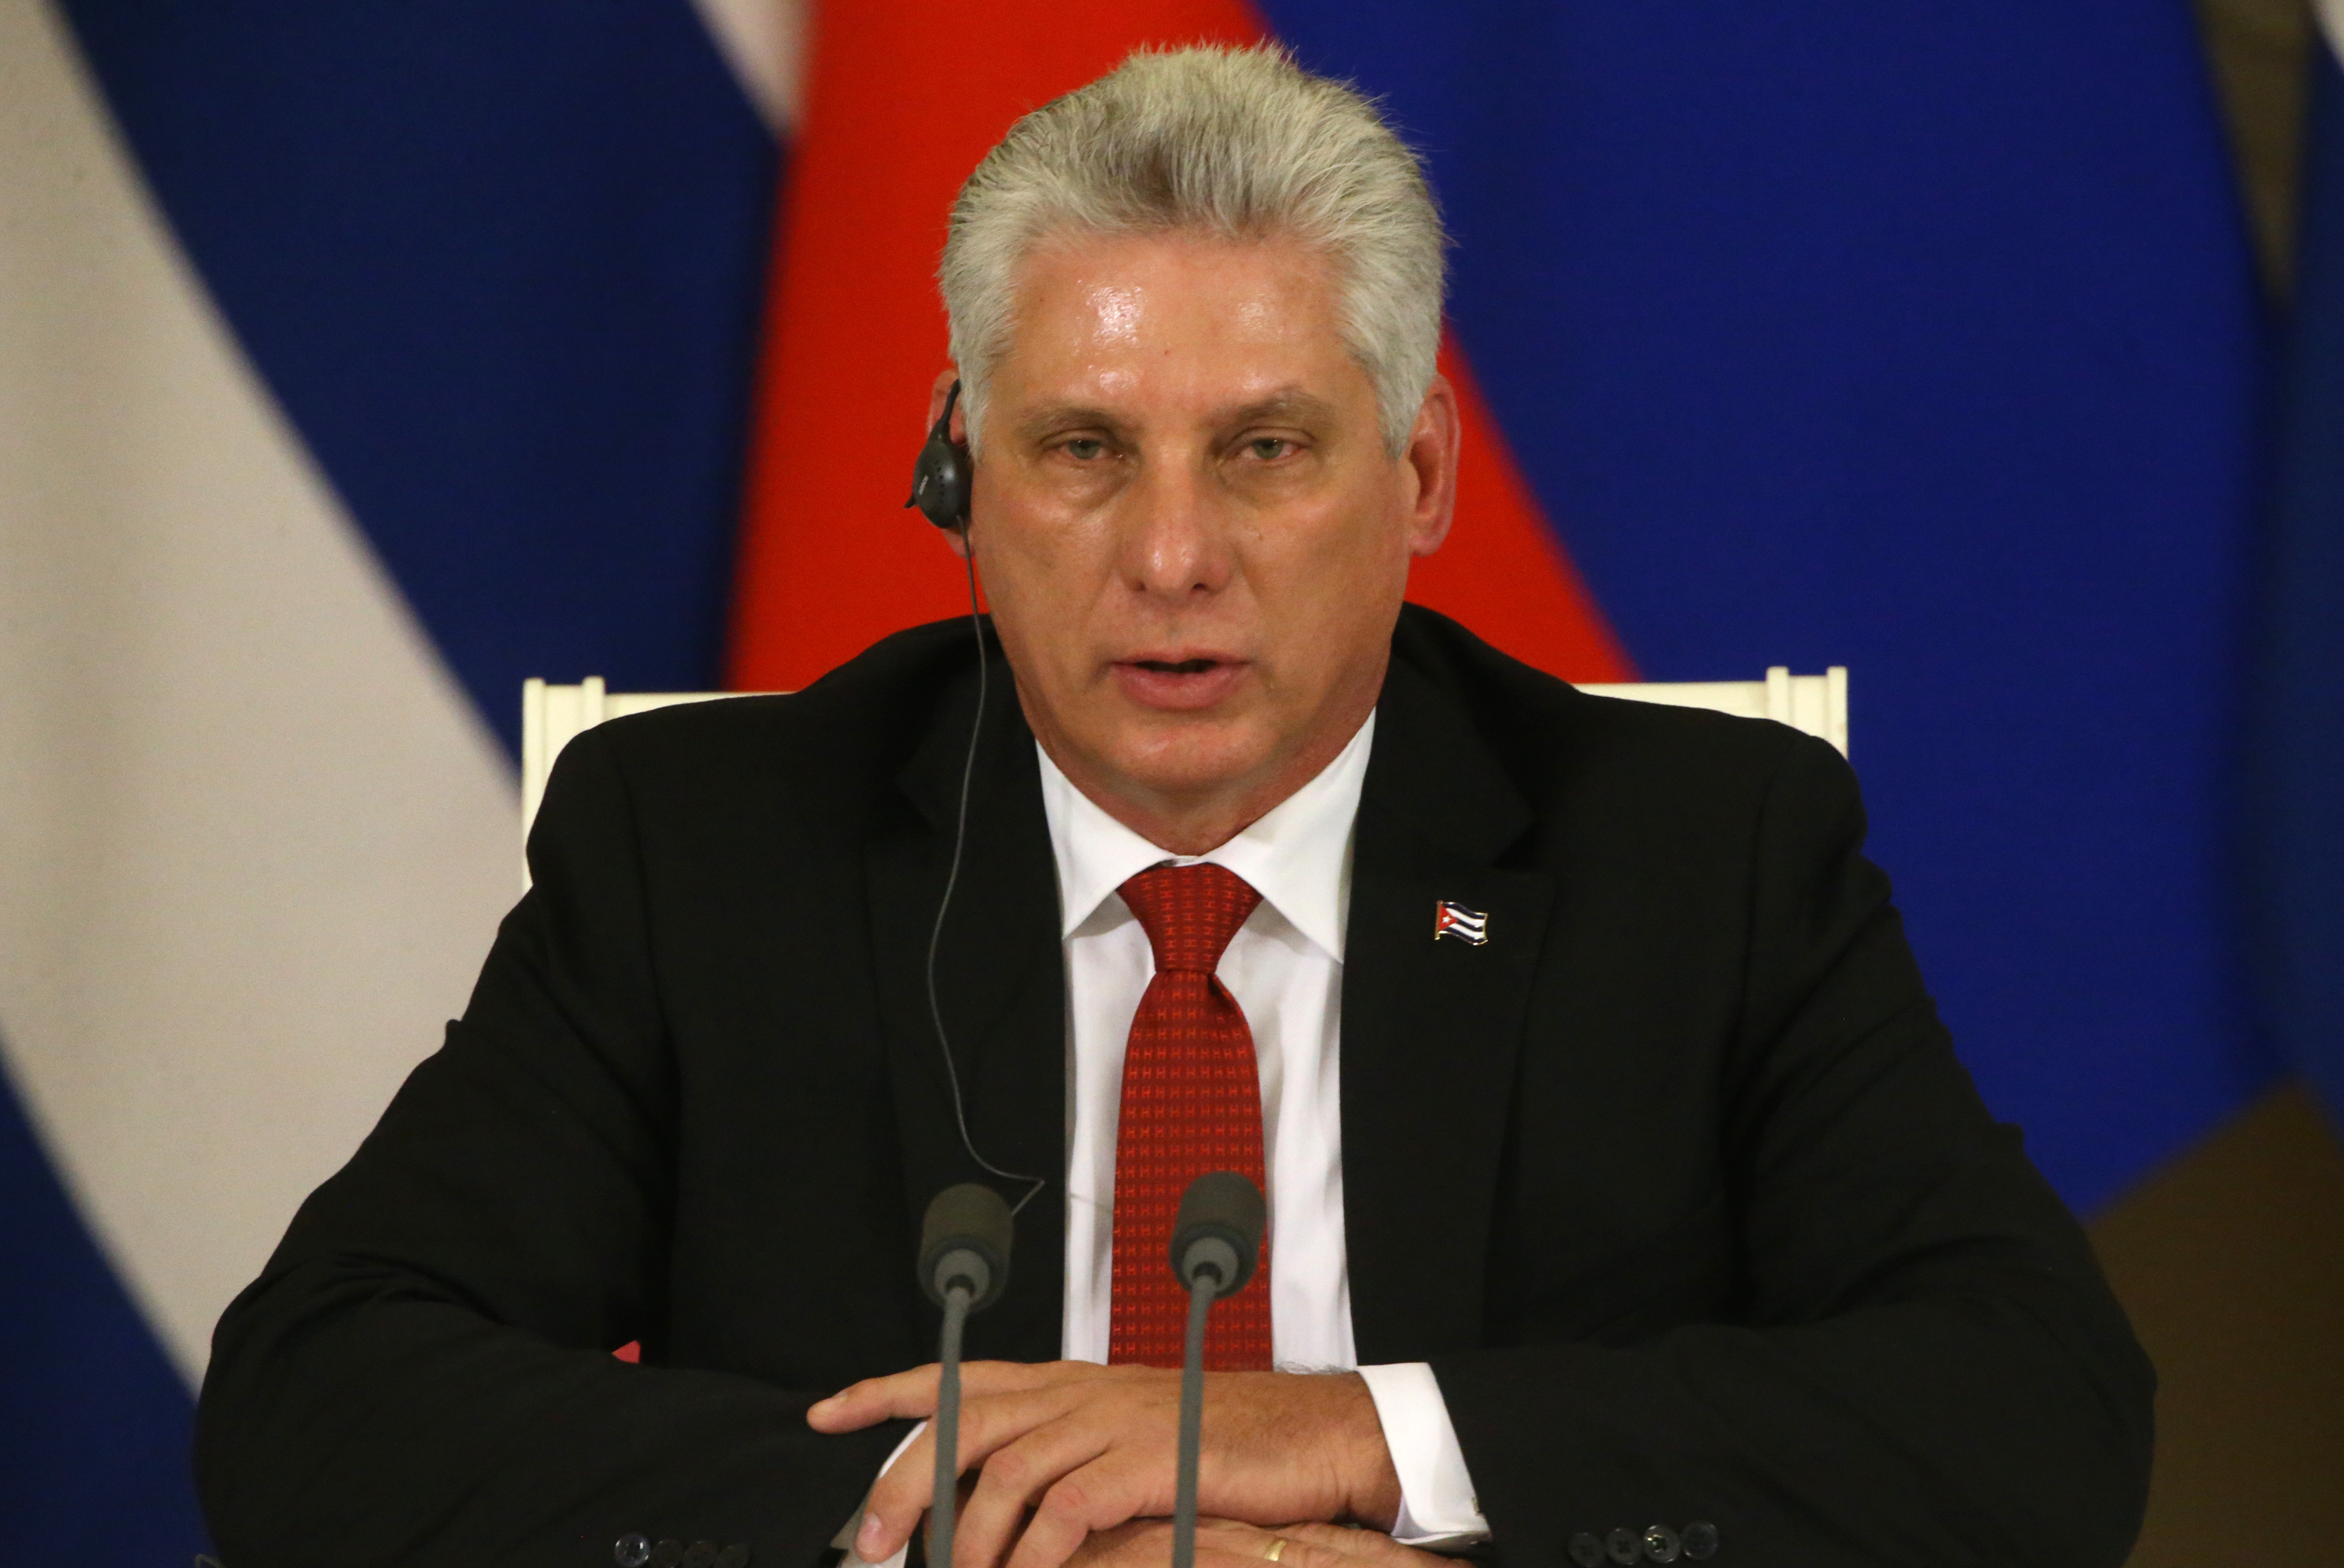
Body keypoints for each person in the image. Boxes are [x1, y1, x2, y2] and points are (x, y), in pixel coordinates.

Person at [195, 44, 2153, 1568]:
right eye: (1081, 451)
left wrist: (1353, 1436)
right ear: (962, 472)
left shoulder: (1696, 853)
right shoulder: (707, 845)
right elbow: (319, 1397)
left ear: (1423, 478)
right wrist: (967, 1503)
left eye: (1268, 450)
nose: (1172, 553)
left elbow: (2031, 1408)